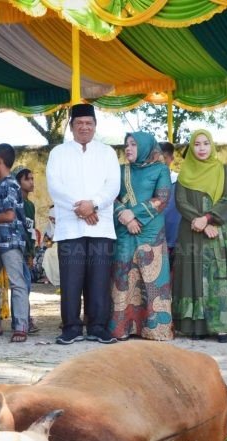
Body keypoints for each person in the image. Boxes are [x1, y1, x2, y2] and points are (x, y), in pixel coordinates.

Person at [46, 103, 120, 345]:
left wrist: (94, 204)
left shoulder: (107, 152)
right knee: (71, 280)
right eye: (79, 123)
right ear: (71, 127)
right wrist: (80, 207)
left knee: (99, 279)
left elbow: (113, 186)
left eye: (89, 123)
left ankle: (98, 326)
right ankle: (71, 327)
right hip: (70, 226)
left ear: (95, 126)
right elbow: (55, 186)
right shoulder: (59, 153)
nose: (85, 127)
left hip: (101, 225)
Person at [172, 129, 227, 342]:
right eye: (197, 144)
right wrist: (200, 222)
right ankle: (196, 326)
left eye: (205, 143)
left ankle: (222, 326)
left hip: (218, 232)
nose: (201, 148)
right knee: (193, 276)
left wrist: (209, 218)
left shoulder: (224, 169)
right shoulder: (185, 172)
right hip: (192, 232)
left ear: (212, 146)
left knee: (218, 277)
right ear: (191, 148)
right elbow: (180, 201)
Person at [110, 131, 173, 341]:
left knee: (152, 279)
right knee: (124, 277)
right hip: (125, 230)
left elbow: (162, 198)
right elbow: (111, 197)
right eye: (126, 144)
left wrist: (133, 214)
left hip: (151, 232)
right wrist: (125, 217)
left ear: (146, 147)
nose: (128, 148)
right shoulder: (120, 171)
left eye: (134, 144)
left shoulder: (160, 169)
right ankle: (123, 328)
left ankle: (156, 329)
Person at [0, 144, 29, 343]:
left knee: (16, 282)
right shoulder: (0, 184)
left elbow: (9, 215)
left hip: (10, 241)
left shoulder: (10, 184)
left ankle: (20, 326)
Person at [14, 166, 40, 333]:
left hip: (26, 250)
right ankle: (22, 320)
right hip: (16, 248)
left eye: (32, 178)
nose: (31, 182)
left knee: (25, 285)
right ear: (18, 182)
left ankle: (23, 317)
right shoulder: (17, 203)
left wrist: (31, 253)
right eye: (27, 179)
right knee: (21, 285)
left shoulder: (30, 205)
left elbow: (31, 230)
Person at [160, 141, 181, 267]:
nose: (161, 162)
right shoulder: (148, 182)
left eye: (165, 158)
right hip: (154, 237)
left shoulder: (180, 181)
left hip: (174, 235)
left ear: (171, 159)